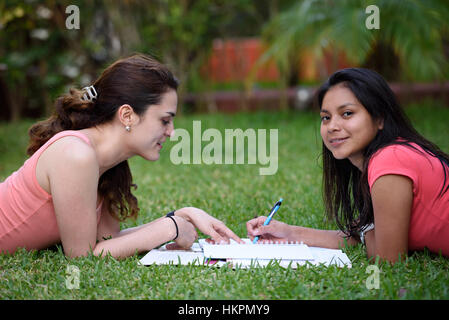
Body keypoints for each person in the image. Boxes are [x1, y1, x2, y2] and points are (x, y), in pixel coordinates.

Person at [0, 53, 242, 259]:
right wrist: (170, 229)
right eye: (164, 120)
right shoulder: (75, 155)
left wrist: (180, 216)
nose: (171, 132)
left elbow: (108, 241)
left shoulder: (107, 164)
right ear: (127, 115)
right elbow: (82, 256)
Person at [247, 68, 449, 263]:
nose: (333, 126)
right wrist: (288, 233)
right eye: (326, 117)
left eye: (347, 114)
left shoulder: (390, 159)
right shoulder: (385, 158)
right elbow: (357, 237)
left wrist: (367, 230)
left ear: (379, 119)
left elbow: (388, 260)